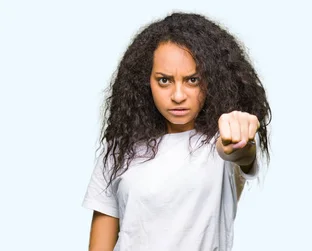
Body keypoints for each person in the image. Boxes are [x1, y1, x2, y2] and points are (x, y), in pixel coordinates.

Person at [81, 12, 271, 251]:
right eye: (164, 80)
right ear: (145, 81)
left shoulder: (219, 142)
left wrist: (241, 138)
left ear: (211, 80)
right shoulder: (120, 150)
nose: (178, 95)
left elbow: (239, 154)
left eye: (192, 80)